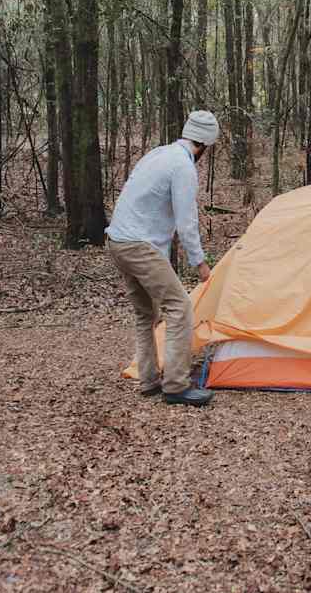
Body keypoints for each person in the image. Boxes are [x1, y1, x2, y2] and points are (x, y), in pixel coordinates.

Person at [105, 110, 219, 407]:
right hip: (138, 244)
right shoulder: (183, 166)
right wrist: (201, 264)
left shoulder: (159, 154)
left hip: (118, 240)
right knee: (180, 307)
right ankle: (177, 385)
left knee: (147, 313)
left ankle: (149, 379)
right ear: (204, 146)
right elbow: (186, 221)